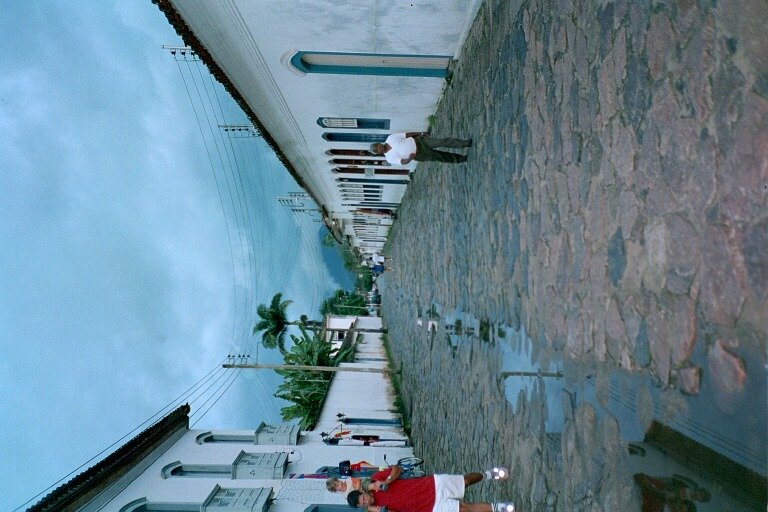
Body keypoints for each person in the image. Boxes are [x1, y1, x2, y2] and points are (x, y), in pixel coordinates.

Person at [347, 464, 515, 512]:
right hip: (430, 508)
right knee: (465, 509)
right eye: (362, 504)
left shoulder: (375, 480)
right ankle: (499, 508)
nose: (365, 502)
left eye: (363, 499)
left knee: (465, 481)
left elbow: (397, 469)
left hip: (432, 485)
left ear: (362, 492)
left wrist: (388, 480)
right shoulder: (375, 509)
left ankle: (489, 474)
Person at [371, 132, 472, 165]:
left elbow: (407, 134)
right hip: (420, 154)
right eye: (377, 150)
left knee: (441, 142)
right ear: (378, 153)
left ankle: (464, 143)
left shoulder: (391, 138)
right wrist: (409, 158)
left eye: (377, 146)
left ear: (379, 143)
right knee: (441, 157)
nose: (379, 148)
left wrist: (421, 133)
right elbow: (402, 162)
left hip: (420, 142)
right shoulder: (389, 158)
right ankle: (461, 159)